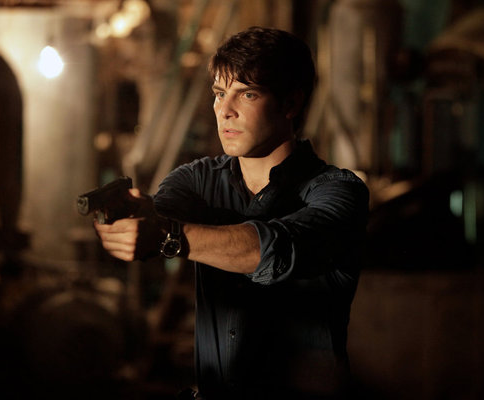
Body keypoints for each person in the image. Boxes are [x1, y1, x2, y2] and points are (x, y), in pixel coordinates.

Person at [94, 26, 369, 399]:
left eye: (247, 94)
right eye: (220, 94)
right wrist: (133, 220)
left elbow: (277, 249)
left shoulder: (338, 191)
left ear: (290, 104)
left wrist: (169, 234)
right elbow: (158, 216)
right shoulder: (196, 180)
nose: (225, 111)